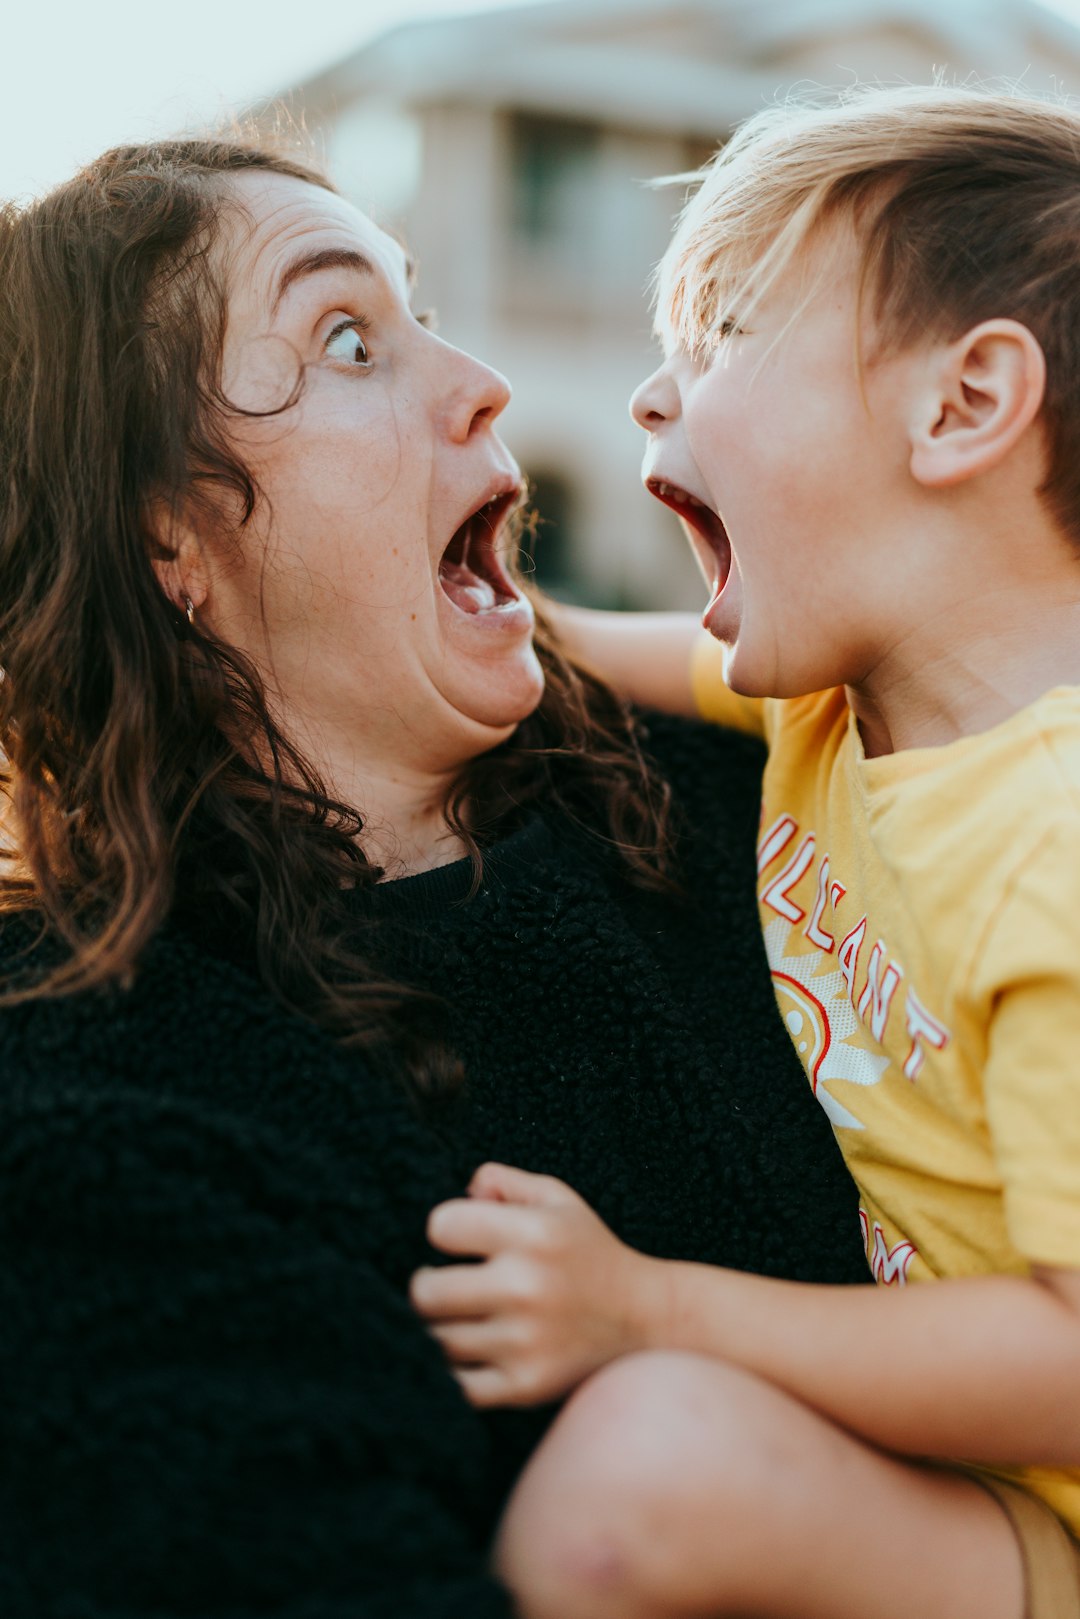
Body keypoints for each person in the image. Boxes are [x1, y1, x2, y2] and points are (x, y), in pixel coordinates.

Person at [0, 135, 870, 1616]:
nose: (482, 380)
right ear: (162, 530)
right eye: (347, 338)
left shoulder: (759, 797)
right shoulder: (91, 1089)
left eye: (423, 309)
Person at [412, 85, 1080, 1619]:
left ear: (964, 405)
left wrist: (653, 1310)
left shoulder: (1053, 839)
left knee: (645, 1456)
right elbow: (560, 648)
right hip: (986, 1498)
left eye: (718, 336)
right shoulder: (841, 698)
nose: (654, 398)